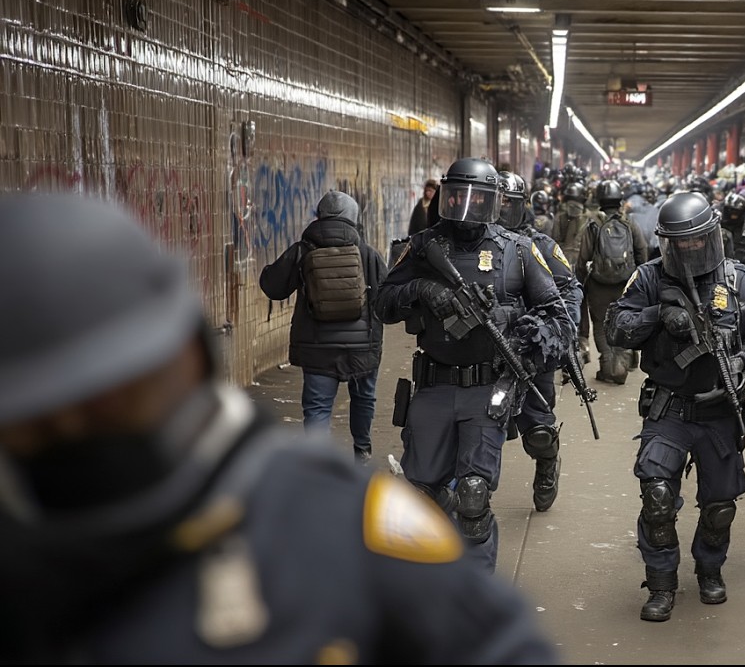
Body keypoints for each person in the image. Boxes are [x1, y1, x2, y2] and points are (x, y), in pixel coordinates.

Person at [0, 192, 558, 664]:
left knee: (455, 490)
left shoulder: (338, 516)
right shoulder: (341, 514)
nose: (81, 433)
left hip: (358, 366)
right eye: (38, 424)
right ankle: (363, 442)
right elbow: (385, 298)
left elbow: (494, 643)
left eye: (115, 399)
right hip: (371, 363)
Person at [373, 158, 573, 573]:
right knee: (419, 495)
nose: (466, 207)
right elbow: (381, 303)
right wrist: (423, 289)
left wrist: (516, 329)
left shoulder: (517, 249)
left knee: (474, 493)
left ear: (493, 202)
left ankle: (477, 596)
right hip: (433, 384)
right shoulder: (424, 245)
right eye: (457, 196)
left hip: (487, 389)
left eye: (477, 198)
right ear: (446, 196)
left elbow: (558, 314)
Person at [605, 191, 745, 622]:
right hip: (668, 410)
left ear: (710, 237)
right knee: (658, 497)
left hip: (721, 412)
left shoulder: (741, 281)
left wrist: (741, 360)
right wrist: (657, 317)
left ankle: (709, 569)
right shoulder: (649, 278)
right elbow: (616, 326)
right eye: (676, 244)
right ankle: (662, 582)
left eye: (693, 242)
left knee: (720, 505)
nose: (685, 251)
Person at [259, 190, 386, 465]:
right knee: (363, 399)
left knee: (317, 408)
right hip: (362, 347)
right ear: (354, 217)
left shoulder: (302, 250)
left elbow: (273, 287)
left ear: (319, 216)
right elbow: (386, 298)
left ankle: (318, 461)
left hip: (317, 347)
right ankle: (362, 451)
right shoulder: (367, 253)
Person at [497, 171, 583, 511]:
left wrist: (554, 332)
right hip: (483, 353)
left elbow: (569, 291)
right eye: (495, 202)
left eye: (508, 203)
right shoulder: (471, 246)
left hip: (533, 352)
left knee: (539, 431)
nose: (500, 210)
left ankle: (547, 463)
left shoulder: (541, 246)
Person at [577, 179, 648, 385]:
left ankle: (608, 364)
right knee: (624, 321)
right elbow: (641, 251)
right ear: (620, 200)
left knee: (600, 324)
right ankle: (621, 362)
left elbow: (583, 258)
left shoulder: (594, 224)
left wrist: (580, 281)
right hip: (625, 284)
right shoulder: (629, 223)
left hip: (598, 285)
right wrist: (640, 278)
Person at [553, 181, 596, 362]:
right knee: (583, 302)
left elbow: (553, 242)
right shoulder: (590, 219)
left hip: (563, 267)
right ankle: (583, 340)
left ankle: (567, 340)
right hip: (583, 268)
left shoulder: (560, 218)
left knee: (564, 303)